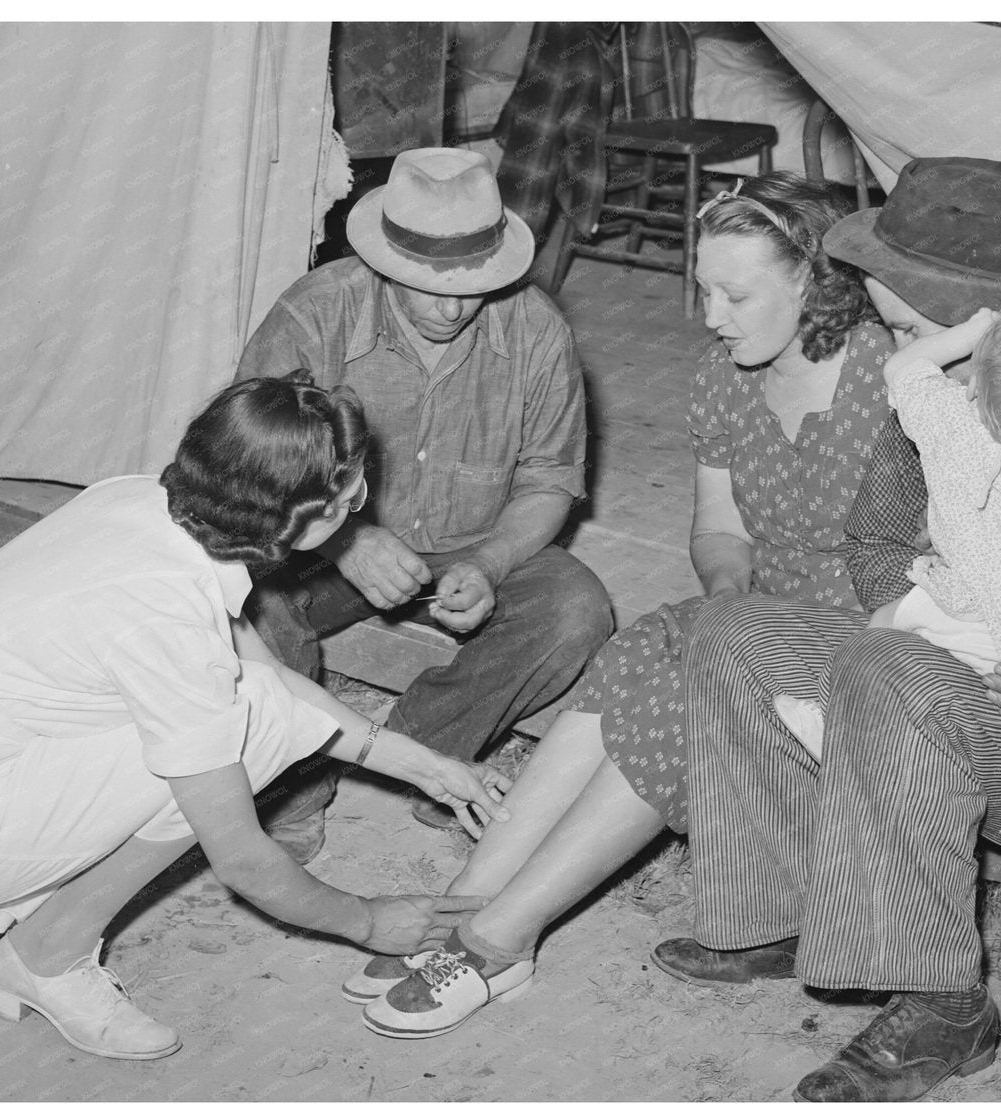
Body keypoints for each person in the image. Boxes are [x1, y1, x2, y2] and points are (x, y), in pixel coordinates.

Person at [670, 156, 1001, 1102]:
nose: (891, 347)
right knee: (730, 633)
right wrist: (940, 590)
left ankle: (943, 1006)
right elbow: (874, 539)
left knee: (888, 669)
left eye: (908, 329)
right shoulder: (945, 389)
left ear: (983, 314)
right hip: (965, 678)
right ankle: (788, 908)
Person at [338, 173, 895, 1039]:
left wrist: (745, 639)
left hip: (875, 625)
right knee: (638, 654)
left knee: (683, 700)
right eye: (703, 289)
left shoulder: (888, 375)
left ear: (814, 280)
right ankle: (466, 902)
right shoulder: (725, 375)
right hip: (762, 602)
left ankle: (501, 936)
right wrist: (728, 598)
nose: (712, 314)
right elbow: (718, 527)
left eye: (735, 293)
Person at [0, 373, 511, 1062]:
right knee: (246, 728)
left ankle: (35, 898)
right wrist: (368, 919)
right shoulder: (168, 619)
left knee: (250, 709)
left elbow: (269, 674)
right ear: (301, 519)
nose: (360, 512)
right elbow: (245, 861)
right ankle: (46, 954)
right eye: (353, 500)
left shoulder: (144, 499)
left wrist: (426, 767)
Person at [233, 146, 612, 856]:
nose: (451, 306)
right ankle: (295, 785)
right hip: (323, 544)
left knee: (576, 608)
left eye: (472, 284)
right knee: (249, 601)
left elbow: (548, 480)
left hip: (468, 538)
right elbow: (252, 472)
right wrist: (346, 537)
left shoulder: (537, 331)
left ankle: (418, 753)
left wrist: (494, 563)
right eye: (427, 284)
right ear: (383, 263)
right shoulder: (315, 314)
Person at [773, 296, 1001, 756]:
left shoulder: (953, 425)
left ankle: (833, 722)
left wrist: (972, 329)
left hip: (963, 607)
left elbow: (903, 367)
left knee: (882, 626)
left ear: (975, 389)